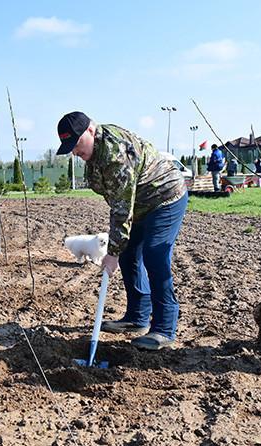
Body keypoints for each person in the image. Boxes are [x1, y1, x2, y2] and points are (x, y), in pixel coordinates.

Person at [56, 111, 188, 351]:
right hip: (139, 204)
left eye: (76, 144)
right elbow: (118, 202)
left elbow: (121, 207)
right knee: (128, 254)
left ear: (90, 130)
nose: (75, 151)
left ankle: (164, 328)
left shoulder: (115, 153)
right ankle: (136, 318)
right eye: (70, 147)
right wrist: (119, 249)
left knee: (154, 254)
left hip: (165, 197)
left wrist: (112, 252)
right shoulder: (95, 155)